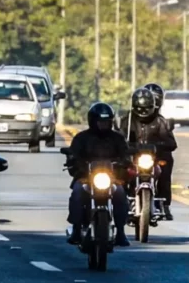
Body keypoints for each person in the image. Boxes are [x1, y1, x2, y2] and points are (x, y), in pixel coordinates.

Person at [66, 102, 131, 247]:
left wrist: (125, 163)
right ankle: (76, 229)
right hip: (86, 178)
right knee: (77, 192)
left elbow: (126, 155)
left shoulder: (118, 138)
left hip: (111, 178)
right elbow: (73, 155)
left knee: (120, 194)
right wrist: (74, 161)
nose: (103, 124)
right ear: (92, 121)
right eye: (100, 121)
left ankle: (121, 231)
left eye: (106, 121)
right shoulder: (82, 138)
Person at [118, 87, 178, 220]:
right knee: (119, 172)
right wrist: (126, 146)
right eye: (140, 108)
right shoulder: (127, 120)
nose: (143, 111)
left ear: (153, 106)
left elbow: (171, 143)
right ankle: (120, 203)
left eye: (147, 108)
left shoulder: (160, 121)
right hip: (133, 157)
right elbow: (119, 138)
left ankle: (164, 204)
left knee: (165, 170)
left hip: (153, 158)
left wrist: (159, 146)